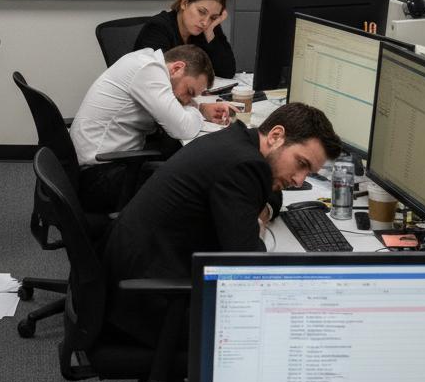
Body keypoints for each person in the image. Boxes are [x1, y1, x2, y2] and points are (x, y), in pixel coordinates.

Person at [104, 102, 340, 347]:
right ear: (276, 136)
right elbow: (248, 266)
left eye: (309, 172)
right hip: (150, 302)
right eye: (301, 164)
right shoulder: (244, 165)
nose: (300, 180)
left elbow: (271, 192)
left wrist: (259, 213)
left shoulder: (239, 143)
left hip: (134, 274)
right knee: (290, 327)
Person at [70, 45, 234, 212]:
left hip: (102, 166)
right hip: (98, 178)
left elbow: (176, 112)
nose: (187, 100)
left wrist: (199, 108)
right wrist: (195, 110)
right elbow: (183, 128)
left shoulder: (144, 61)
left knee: (180, 163)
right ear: (177, 68)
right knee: (192, 182)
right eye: (189, 92)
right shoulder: (148, 71)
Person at [133, 0, 237, 79]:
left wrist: (210, 33)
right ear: (184, 3)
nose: (205, 22)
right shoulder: (158, 27)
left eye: (213, 17)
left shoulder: (209, 28)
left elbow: (227, 71)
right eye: (201, 12)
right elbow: (163, 74)